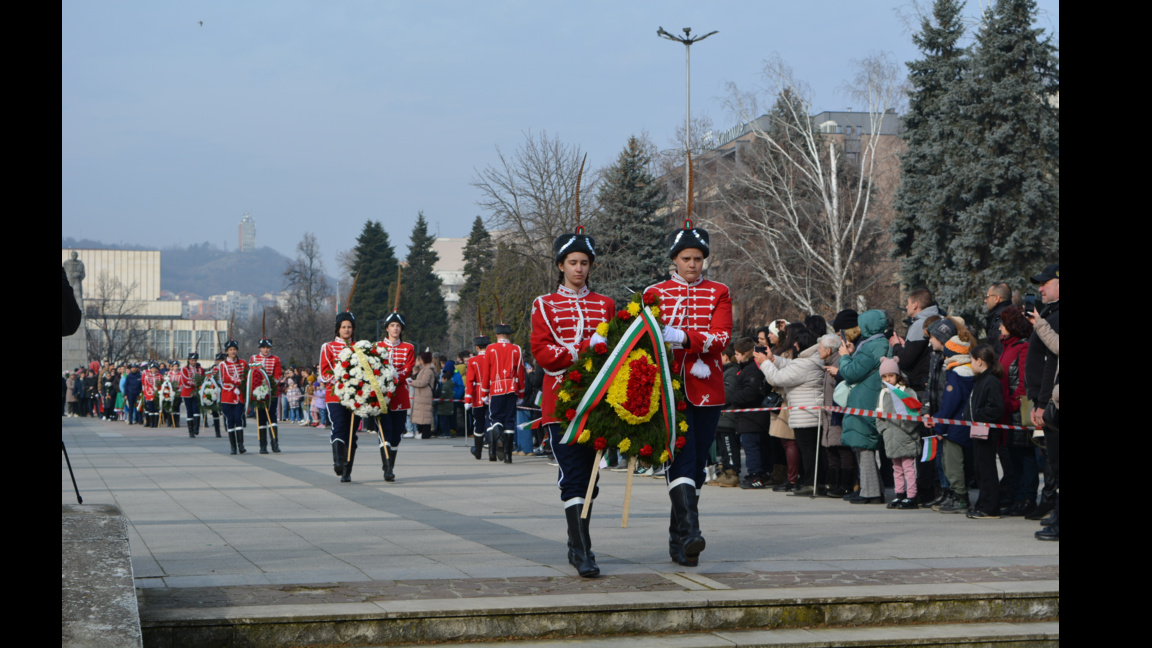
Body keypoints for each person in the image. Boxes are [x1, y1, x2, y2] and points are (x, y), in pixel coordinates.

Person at [644, 220, 733, 567]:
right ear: (675, 260)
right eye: (686, 258)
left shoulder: (719, 291)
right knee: (679, 455)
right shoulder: (655, 292)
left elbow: (722, 337)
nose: (693, 264)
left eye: (698, 258)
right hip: (669, 387)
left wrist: (683, 337)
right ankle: (692, 531)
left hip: (707, 384)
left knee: (696, 464)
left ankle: (678, 537)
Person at [531, 223, 613, 578]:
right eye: (572, 262)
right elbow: (542, 351)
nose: (579, 268)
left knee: (592, 479)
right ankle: (582, 549)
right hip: (560, 402)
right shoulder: (544, 305)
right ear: (561, 265)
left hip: (598, 404)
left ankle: (576, 542)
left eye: (584, 262)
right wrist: (581, 353)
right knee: (573, 476)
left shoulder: (605, 305)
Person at [755, 323, 824, 497]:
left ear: (799, 344)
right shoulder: (810, 360)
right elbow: (790, 364)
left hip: (806, 416)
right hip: (809, 414)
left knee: (808, 452)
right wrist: (773, 359)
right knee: (809, 450)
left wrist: (764, 363)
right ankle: (810, 481)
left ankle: (810, 483)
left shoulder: (804, 364)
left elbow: (778, 378)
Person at [837, 309, 893, 505]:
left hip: (865, 400)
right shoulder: (879, 344)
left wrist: (844, 356)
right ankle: (873, 488)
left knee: (864, 446)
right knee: (865, 445)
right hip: (871, 398)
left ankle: (870, 492)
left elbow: (851, 373)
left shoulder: (871, 347)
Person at [923, 317, 975, 514]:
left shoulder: (956, 375)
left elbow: (949, 403)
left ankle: (959, 497)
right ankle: (954, 495)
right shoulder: (967, 371)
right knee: (952, 462)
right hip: (958, 426)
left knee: (952, 464)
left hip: (953, 427)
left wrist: (940, 424)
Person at [1024, 263, 1059, 539]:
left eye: (1045, 282)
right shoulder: (1050, 315)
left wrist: (1042, 402)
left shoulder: (1055, 317)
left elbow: (1051, 363)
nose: (1040, 288)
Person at [996, 306, 1033, 516]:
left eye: (1003, 323)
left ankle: (1026, 498)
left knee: (1023, 456)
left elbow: (1023, 382)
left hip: (1017, 412)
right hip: (1006, 412)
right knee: (1012, 456)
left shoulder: (1023, 347)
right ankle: (1016, 495)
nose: (1000, 327)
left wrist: (1011, 404)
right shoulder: (1007, 347)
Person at [965, 344, 1007, 519]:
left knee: (987, 468)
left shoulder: (990, 380)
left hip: (987, 430)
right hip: (978, 429)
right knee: (980, 468)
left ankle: (990, 507)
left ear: (980, 361)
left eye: (972, 360)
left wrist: (978, 415)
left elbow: (996, 408)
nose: (971, 363)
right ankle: (983, 503)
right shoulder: (981, 379)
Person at [876, 358, 921, 509]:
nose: (888, 379)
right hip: (891, 437)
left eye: (891, 375)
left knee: (908, 468)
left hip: (906, 436)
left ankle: (912, 495)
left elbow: (914, 414)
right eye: (884, 376)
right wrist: (883, 429)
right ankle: (899, 494)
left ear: (898, 375)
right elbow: (879, 414)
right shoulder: (883, 394)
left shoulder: (907, 392)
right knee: (896, 468)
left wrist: (906, 429)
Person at [376, 309, 415, 481]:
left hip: (399, 393)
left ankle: (390, 464)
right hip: (382, 395)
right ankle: (387, 468)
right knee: (386, 431)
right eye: (392, 325)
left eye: (398, 326)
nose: (395, 329)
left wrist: (394, 376)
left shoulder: (408, 348)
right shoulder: (377, 347)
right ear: (387, 328)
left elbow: (408, 368)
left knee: (397, 432)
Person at [320, 311, 358, 481]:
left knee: (351, 432)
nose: (347, 330)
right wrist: (342, 379)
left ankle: (347, 469)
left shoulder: (359, 347)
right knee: (339, 425)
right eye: (344, 327)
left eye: (349, 327)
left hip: (357, 396)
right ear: (338, 329)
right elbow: (324, 372)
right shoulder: (328, 347)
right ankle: (338, 462)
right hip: (335, 394)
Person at [729, 338, 770, 489]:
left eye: (738, 354)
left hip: (752, 418)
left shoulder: (752, 369)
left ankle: (756, 475)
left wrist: (734, 398)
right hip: (747, 418)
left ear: (746, 353)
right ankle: (756, 473)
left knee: (752, 448)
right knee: (752, 447)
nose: (736, 357)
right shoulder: (747, 368)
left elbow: (751, 392)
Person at [817, 334, 855, 497]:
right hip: (829, 413)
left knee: (842, 448)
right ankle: (834, 483)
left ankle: (846, 484)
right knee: (831, 448)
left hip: (838, 413)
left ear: (828, 350)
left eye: (819, 348)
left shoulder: (839, 362)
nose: (818, 351)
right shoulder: (828, 364)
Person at [484, 320, 526, 463]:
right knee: (509, 420)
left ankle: (499, 436)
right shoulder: (516, 349)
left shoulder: (490, 348)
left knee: (495, 418)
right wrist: (521, 392)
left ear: (496, 335)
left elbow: (486, 372)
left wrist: (484, 392)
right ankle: (508, 456)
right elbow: (521, 372)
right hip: (512, 388)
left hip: (496, 388)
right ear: (508, 334)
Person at [888, 287, 941, 393]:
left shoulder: (920, 324)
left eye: (908, 303)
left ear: (915, 305)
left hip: (919, 386)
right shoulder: (937, 319)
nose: (906, 307)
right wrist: (905, 346)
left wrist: (896, 345)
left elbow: (906, 360)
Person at [711, 345, 741, 487]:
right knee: (723, 448)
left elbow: (727, 394)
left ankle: (732, 472)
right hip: (721, 418)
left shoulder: (732, 371)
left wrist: (714, 398)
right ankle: (724, 472)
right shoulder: (724, 371)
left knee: (729, 447)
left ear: (726, 357)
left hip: (728, 417)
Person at [249, 334, 284, 454]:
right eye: (263, 347)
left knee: (272, 417)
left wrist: (269, 385)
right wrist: (258, 389)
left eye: (268, 347)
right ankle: (262, 445)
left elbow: (278, 375)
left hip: (271, 392)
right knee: (261, 418)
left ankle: (275, 443)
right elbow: (252, 375)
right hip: (258, 393)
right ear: (259, 348)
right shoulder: (254, 359)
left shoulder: (275, 359)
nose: (266, 349)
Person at [215, 340, 248, 454]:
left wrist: (243, 384)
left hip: (239, 396)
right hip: (228, 396)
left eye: (234, 349)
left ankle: (241, 445)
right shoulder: (223, 364)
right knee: (230, 421)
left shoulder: (243, 363)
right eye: (230, 350)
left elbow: (246, 375)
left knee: (238, 419)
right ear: (227, 352)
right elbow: (227, 378)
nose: (233, 351)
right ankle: (233, 447)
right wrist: (239, 382)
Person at [464, 336, 491, 460]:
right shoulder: (493, 358)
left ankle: (478, 451)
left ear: (477, 347)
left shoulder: (472, 361)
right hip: (492, 393)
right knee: (491, 422)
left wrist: (468, 399)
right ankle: (492, 452)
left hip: (478, 395)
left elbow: (470, 381)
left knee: (478, 423)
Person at [410, 351, 436, 440]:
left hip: (424, 395)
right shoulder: (425, 369)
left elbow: (424, 382)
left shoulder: (427, 370)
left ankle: (424, 433)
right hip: (422, 395)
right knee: (422, 414)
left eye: (420, 359)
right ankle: (423, 433)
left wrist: (412, 382)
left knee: (424, 415)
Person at [179, 352, 205, 438]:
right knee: (189, 411)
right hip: (187, 392)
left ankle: (196, 428)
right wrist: (195, 383)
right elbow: (185, 380)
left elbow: (203, 379)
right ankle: (191, 431)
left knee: (196, 409)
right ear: (188, 360)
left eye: (195, 360)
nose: (193, 362)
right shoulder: (184, 369)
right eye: (192, 360)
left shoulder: (200, 369)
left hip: (197, 392)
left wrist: (199, 384)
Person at [982, 283, 1013, 355]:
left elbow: (1000, 352)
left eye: (987, 297)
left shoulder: (1000, 320)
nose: (985, 300)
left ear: (996, 298)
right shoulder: (1012, 314)